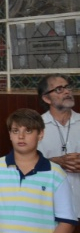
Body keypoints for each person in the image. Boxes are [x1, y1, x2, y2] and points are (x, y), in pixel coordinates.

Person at [37, 74, 80, 217]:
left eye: (67, 87)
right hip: (49, 208)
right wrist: (56, 162)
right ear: (46, 98)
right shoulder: (35, 127)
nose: (67, 92)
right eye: (59, 89)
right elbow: (22, 164)